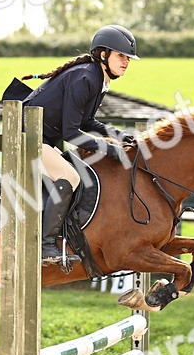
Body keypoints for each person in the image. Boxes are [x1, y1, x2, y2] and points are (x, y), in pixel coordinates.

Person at [21, 24, 140, 263]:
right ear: (103, 54)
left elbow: (87, 121)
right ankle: (46, 246)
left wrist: (117, 134)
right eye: (121, 56)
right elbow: (72, 133)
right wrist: (109, 149)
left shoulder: (98, 79)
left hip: (44, 138)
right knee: (71, 178)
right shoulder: (86, 78)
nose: (126, 62)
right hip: (27, 136)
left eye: (128, 58)